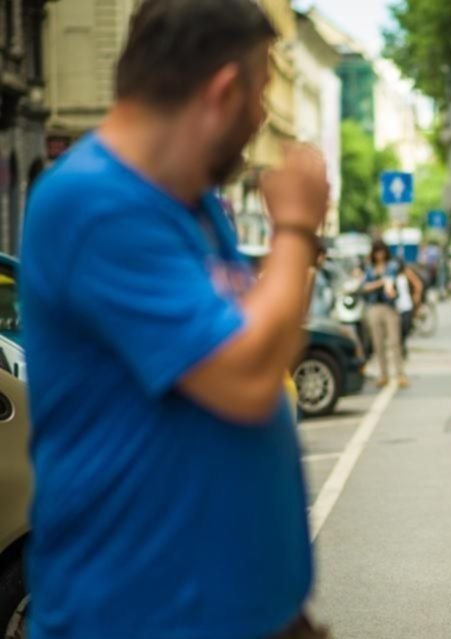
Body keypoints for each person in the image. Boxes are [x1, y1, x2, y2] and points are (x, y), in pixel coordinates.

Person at [20, 1, 330, 638]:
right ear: (222, 91)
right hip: (144, 616)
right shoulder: (96, 202)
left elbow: (266, 352)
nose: (263, 117)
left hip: (243, 611)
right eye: (261, 91)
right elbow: (245, 381)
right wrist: (297, 229)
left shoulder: (189, 202)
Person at [363, 240, 408, 388]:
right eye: (377, 252)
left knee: (395, 342)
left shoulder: (392, 266)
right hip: (374, 307)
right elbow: (364, 287)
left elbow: (392, 285)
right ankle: (383, 375)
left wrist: (390, 289)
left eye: (381, 252)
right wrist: (380, 283)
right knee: (378, 343)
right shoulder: (370, 268)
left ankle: (400, 374)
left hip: (389, 307)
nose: (379, 255)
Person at [394, 259, 424, 359]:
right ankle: (400, 349)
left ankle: (402, 345)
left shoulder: (407, 272)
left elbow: (418, 285)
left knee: (406, 327)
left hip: (407, 305)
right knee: (397, 330)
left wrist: (416, 299)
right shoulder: (391, 274)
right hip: (395, 307)